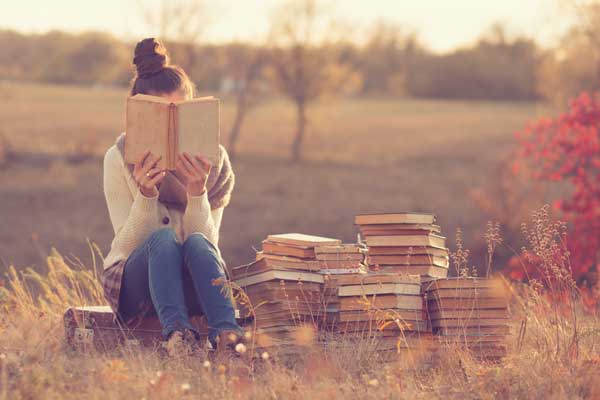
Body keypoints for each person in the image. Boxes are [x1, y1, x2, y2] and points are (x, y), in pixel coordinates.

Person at [101, 37, 243, 354]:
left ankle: (227, 336)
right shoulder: (118, 157)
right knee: (164, 240)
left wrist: (197, 193)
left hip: (193, 280)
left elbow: (208, 245)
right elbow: (126, 245)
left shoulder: (215, 162)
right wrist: (146, 195)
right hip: (136, 284)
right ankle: (177, 336)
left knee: (195, 243)